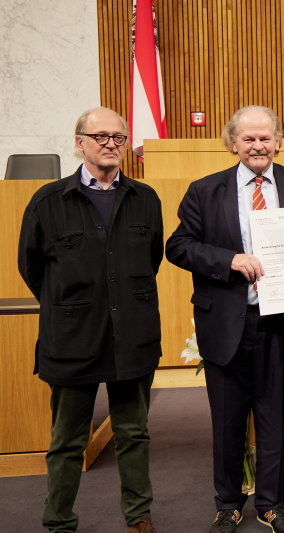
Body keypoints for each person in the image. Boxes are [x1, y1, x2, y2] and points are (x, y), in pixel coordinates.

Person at [165, 105, 284, 533]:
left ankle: (271, 504)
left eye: (265, 138)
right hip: (227, 324)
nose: (258, 146)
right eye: (248, 138)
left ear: (278, 141)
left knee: (272, 419)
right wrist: (228, 259)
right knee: (228, 422)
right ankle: (228, 504)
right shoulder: (204, 190)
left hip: (279, 322)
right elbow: (178, 247)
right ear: (233, 142)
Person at [17, 107, 163, 533]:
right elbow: (33, 269)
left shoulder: (145, 198)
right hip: (72, 339)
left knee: (134, 434)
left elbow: (150, 261)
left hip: (132, 336)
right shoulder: (48, 201)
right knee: (67, 440)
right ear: (79, 142)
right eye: (100, 136)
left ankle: (138, 516)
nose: (111, 144)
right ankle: (59, 521)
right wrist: (72, 306)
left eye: (118, 137)